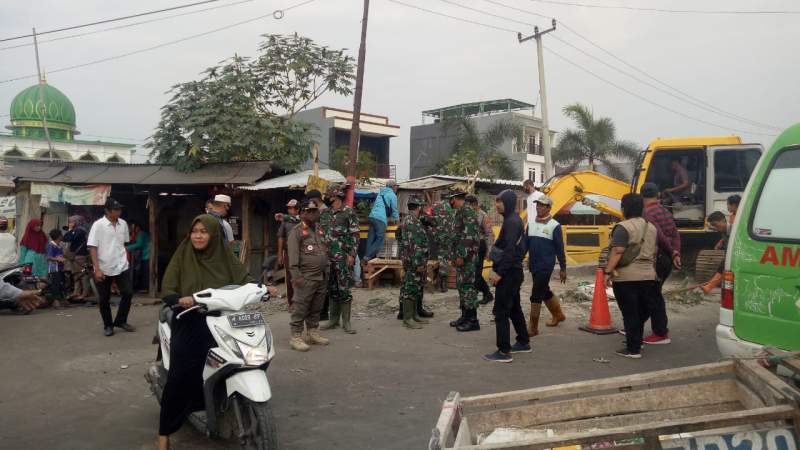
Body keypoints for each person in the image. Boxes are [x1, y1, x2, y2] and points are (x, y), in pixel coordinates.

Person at [156, 215, 254, 450]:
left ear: (214, 235)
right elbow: (168, 288)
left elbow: (244, 278)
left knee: (242, 357)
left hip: (222, 319)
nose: (198, 236)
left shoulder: (225, 257)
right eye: (195, 231)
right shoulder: (183, 255)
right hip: (189, 319)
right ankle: (164, 434)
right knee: (180, 377)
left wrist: (261, 287)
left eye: (204, 231)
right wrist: (179, 299)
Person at [604, 193, 659, 359]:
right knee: (641, 311)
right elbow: (655, 252)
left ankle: (633, 349)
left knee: (630, 313)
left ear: (624, 208)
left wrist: (608, 272)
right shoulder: (652, 227)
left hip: (626, 277)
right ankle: (637, 340)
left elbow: (617, 250)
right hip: (649, 276)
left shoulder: (623, 227)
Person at [484, 189, 530, 363]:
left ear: (508, 203)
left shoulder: (512, 222)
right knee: (514, 308)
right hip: (513, 271)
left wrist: (499, 273)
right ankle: (523, 341)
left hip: (509, 272)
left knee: (501, 311)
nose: (497, 205)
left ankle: (503, 351)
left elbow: (510, 250)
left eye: (500, 201)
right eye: (496, 201)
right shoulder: (512, 220)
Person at [641, 183, 682, 345]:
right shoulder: (665, 211)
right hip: (667, 257)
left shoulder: (647, 213)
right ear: (658, 195)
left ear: (642, 196)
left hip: (658, 257)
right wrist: (676, 252)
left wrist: (672, 252)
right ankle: (635, 325)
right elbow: (674, 233)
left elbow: (660, 236)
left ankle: (660, 333)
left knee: (653, 296)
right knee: (651, 293)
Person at [286, 200, 330, 352]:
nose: (312, 213)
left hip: (321, 276)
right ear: (302, 213)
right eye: (309, 211)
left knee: (316, 307)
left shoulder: (319, 229)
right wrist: (296, 276)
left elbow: (325, 249)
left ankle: (312, 332)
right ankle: (296, 337)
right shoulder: (296, 231)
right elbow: (292, 257)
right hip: (306, 277)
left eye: (314, 211)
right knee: (300, 306)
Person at [88, 198, 135, 337]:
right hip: (104, 266)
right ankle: (108, 325)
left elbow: (124, 244)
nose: (119, 212)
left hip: (121, 264)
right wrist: (97, 269)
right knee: (104, 298)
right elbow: (93, 247)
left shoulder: (123, 224)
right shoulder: (98, 225)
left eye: (119, 209)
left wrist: (126, 259)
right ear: (107, 211)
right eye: (115, 209)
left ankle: (121, 320)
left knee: (128, 292)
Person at [320, 185, 360, 334]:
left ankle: (347, 322)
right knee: (332, 289)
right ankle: (333, 319)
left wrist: (352, 255)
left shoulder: (348, 212)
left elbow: (355, 235)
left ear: (336, 196)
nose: (327, 198)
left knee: (344, 288)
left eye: (329, 195)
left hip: (343, 257)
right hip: (327, 258)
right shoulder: (325, 213)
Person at [525, 195, 567, 337]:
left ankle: (533, 327)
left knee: (536, 295)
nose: (538, 207)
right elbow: (525, 244)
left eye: (542, 205)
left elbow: (560, 248)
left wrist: (563, 268)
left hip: (546, 265)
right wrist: (518, 258)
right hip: (533, 264)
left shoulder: (555, 225)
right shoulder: (530, 224)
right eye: (537, 205)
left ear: (549, 208)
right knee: (544, 290)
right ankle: (558, 315)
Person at [396, 196, 431, 329]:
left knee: (414, 287)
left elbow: (398, 235)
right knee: (410, 288)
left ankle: (414, 315)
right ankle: (408, 318)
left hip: (410, 260)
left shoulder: (406, 220)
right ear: (419, 207)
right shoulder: (414, 223)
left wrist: (403, 250)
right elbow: (416, 245)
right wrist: (418, 264)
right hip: (414, 262)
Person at [452, 190, 482, 332]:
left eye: (451, 199)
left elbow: (469, 235)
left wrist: (461, 256)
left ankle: (472, 320)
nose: (449, 202)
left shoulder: (468, 211)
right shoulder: (461, 211)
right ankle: (464, 316)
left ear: (455, 199)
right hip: (462, 257)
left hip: (467, 258)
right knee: (462, 286)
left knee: (468, 287)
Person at [467, 195, 494, 305]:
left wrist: (489, 250)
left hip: (480, 247)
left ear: (474, 204)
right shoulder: (468, 214)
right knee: (472, 274)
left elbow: (489, 234)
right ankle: (483, 294)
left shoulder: (483, 215)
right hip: (470, 247)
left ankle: (487, 293)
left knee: (476, 275)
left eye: (468, 205)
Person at [364, 180, 399, 262]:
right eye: (396, 186)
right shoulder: (392, 195)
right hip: (380, 219)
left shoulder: (381, 193)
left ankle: (367, 258)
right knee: (380, 239)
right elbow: (394, 210)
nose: (397, 187)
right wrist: (397, 221)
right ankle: (367, 257)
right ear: (393, 186)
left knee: (371, 238)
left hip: (372, 216)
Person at [276, 199, 301, 305]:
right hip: (288, 253)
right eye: (289, 208)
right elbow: (281, 237)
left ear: (298, 209)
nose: (290, 210)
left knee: (302, 276)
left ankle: (302, 301)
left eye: (292, 208)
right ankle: (291, 302)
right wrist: (279, 255)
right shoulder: (285, 222)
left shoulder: (302, 220)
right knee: (290, 277)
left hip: (302, 253)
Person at [432, 193, 457, 294]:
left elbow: (430, 219)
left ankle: (437, 282)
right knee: (444, 259)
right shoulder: (453, 209)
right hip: (447, 238)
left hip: (436, 237)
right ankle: (443, 283)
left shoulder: (435, 206)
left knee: (437, 258)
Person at [63, 215, 91, 301]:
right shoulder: (75, 230)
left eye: (71, 222)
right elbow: (65, 238)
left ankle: (85, 292)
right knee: (76, 274)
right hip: (74, 256)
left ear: (76, 222)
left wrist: (70, 229)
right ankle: (76, 292)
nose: (70, 223)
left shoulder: (80, 230)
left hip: (80, 255)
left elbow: (71, 238)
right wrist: (70, 230)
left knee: (82, 274)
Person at [701, 211, 728, 294]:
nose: (715, 228)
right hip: (728, 253)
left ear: (723, 220)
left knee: (723, 267)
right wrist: (720, 242)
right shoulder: (724, 230)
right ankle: (709, 287)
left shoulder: (733, 228)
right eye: (713, 226)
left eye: (716, 225)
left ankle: (709, 287)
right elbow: (724, 238)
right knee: (722, 268)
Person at [45, 229, 67, 308]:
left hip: (60, 268)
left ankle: (61, 300)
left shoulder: (59, 245)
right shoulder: (51, 245)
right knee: (55, 284)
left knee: (61, 283)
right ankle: (55, 301)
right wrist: (58, 259)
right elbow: (48, 257)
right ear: (58, 236)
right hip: (54, 268)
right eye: (61, 234)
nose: (62, 236)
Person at [126, 222, 151, 293]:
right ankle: (143, 287)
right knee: (142, 272)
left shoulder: (141, 233)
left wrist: (126, 248)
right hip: (144, 256)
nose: (132, 229)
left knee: (145, 272)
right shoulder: (138, 234)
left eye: (134, 227)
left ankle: (145, 288)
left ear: (138, 227)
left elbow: (138, 244)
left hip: (146, 255)